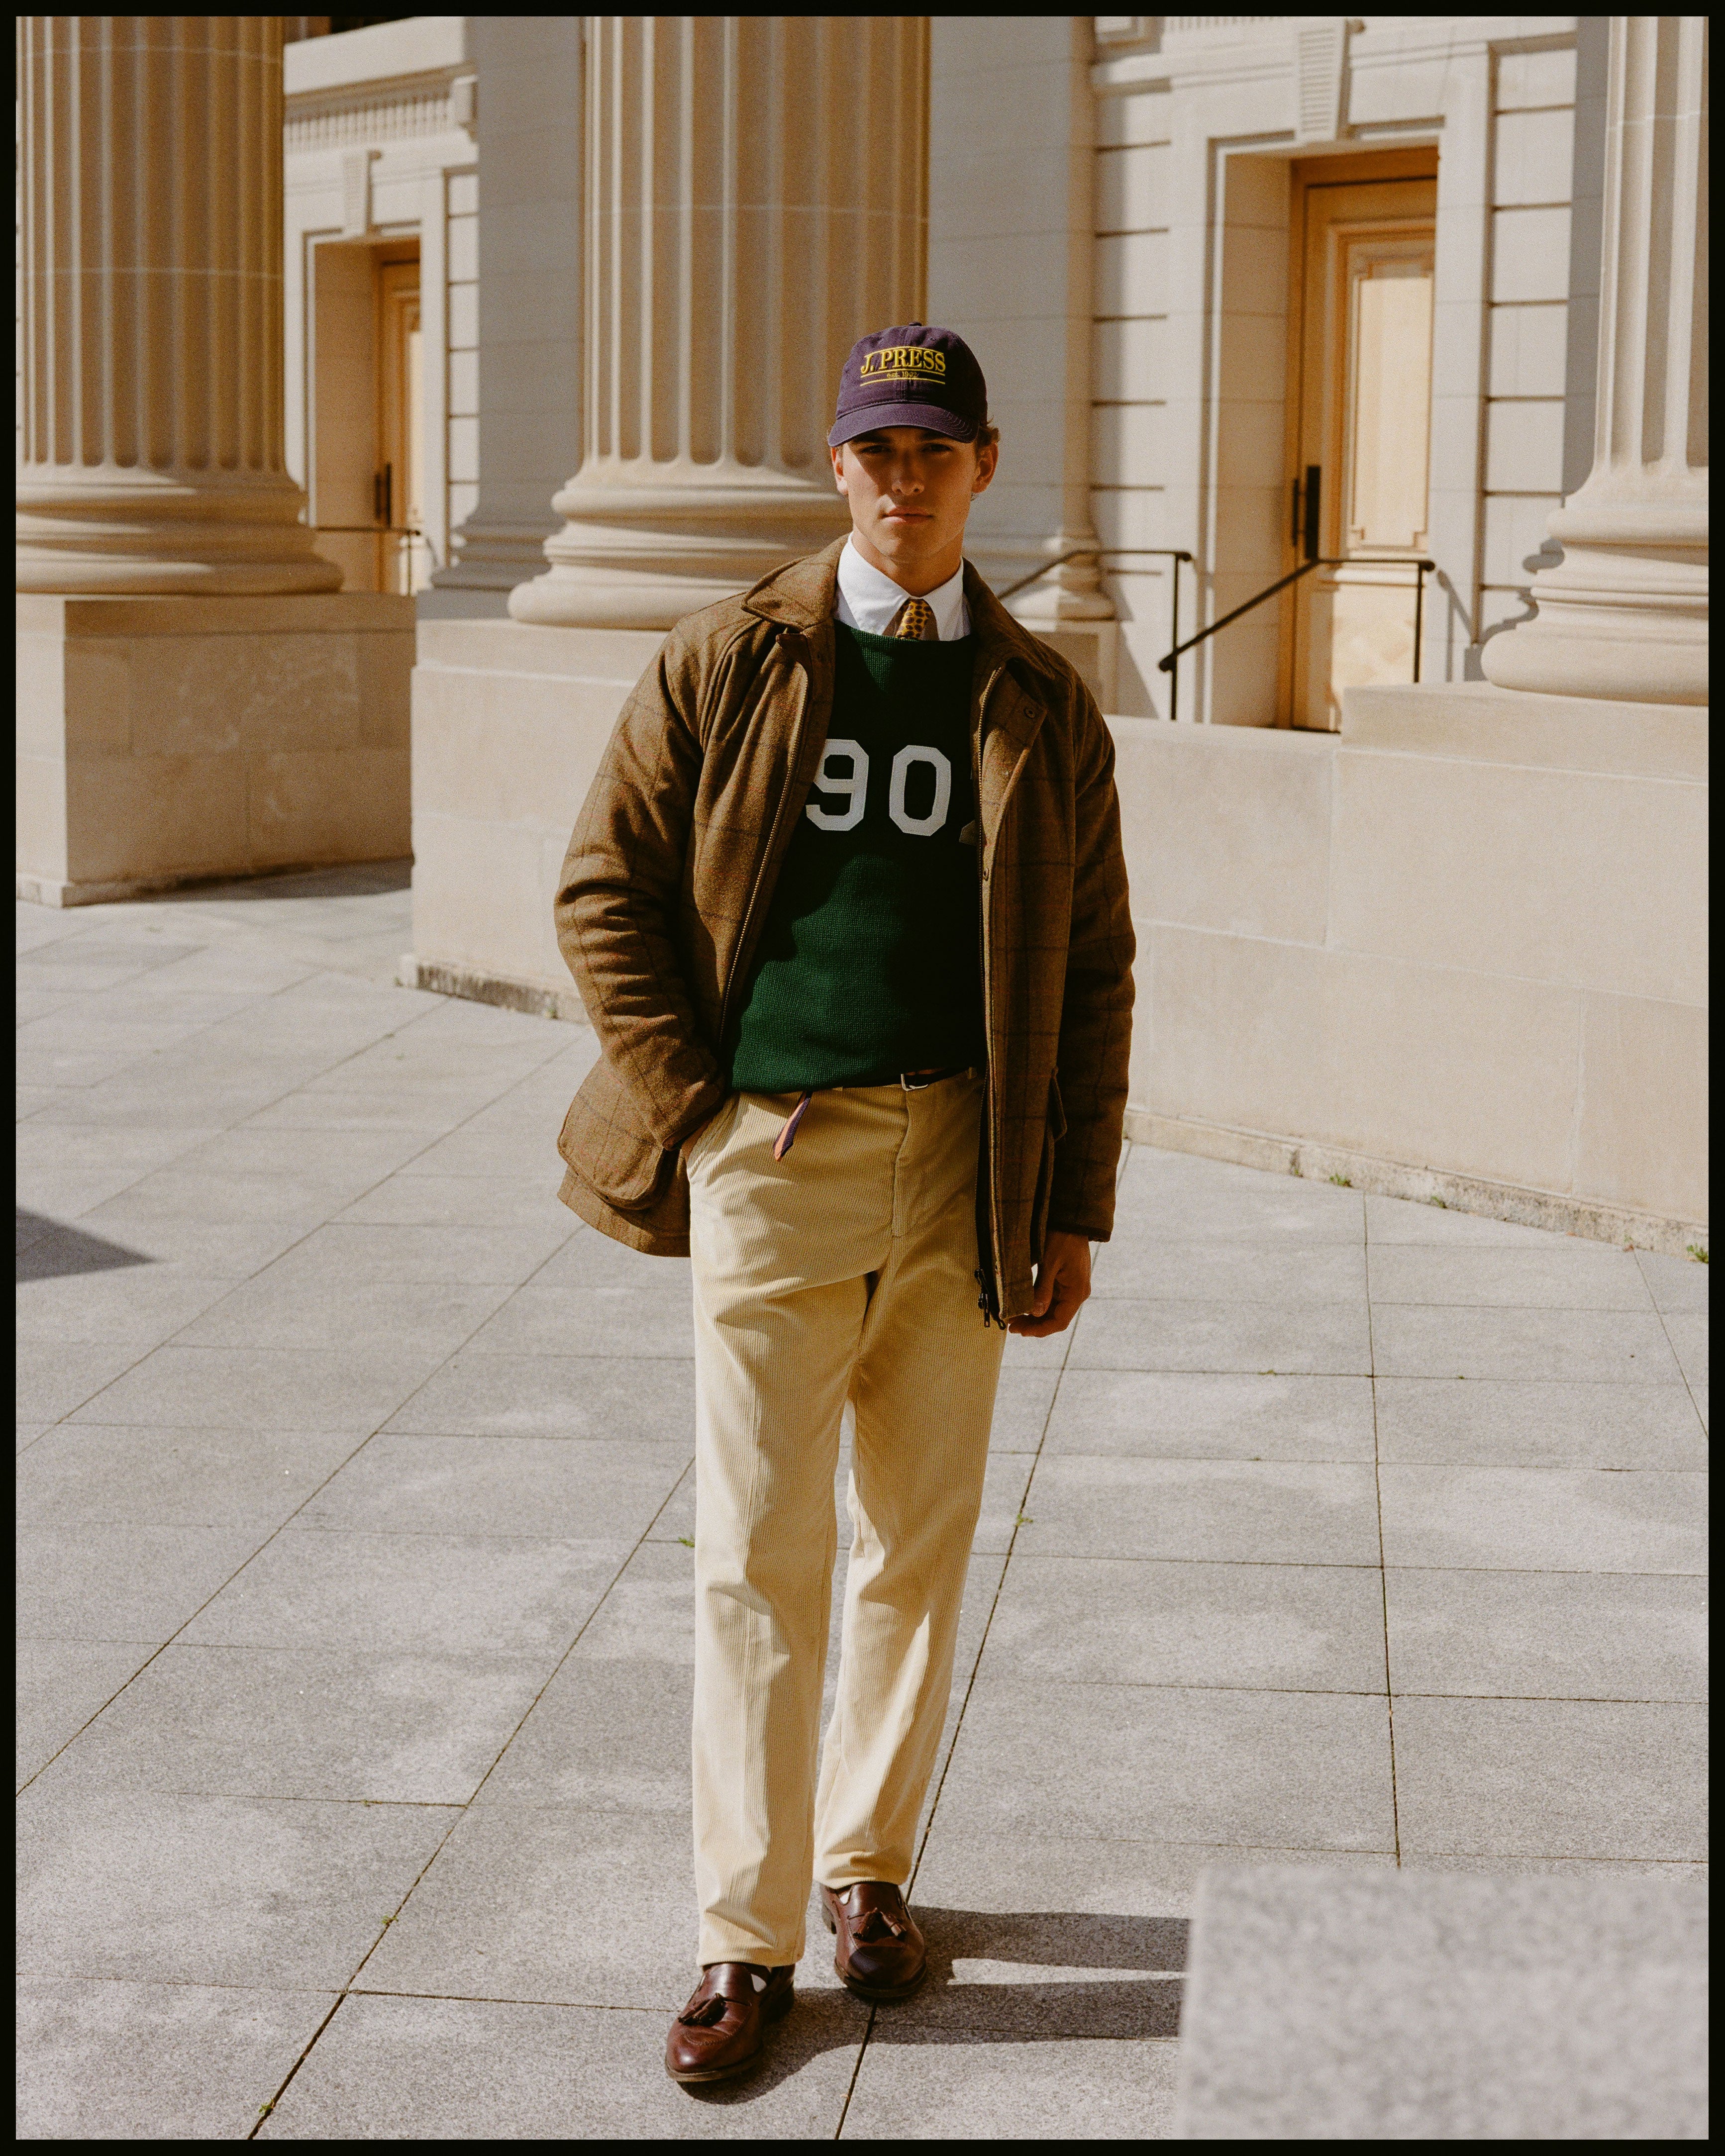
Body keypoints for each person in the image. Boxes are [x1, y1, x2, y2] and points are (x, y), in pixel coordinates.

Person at [553, 322, 1134, 2085]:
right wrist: (702, 1110)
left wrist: (1071, 1201)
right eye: (876, 449)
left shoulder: (1037, 699)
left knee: (917, 1540)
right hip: (776, 1154)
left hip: (966, 1160)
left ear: (983, 467)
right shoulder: (726, 656)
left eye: (933, 449)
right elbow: (604, 888)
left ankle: (865, 1871)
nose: (903, 478)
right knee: (756, 1552)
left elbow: (1094, 969)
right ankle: (740, 1940)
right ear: (836, 465)